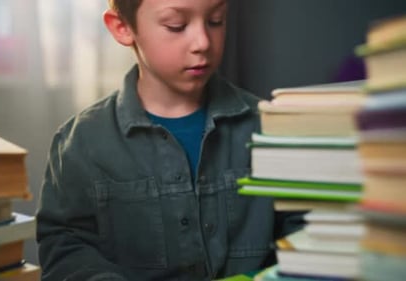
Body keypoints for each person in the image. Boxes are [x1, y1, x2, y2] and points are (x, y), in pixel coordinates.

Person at [36, 0, 303, 280]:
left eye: (215, 20)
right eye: (176, 25)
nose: (202, 42)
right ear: (123, 27)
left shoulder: (270, 127)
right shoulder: (79, 142)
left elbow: (305, 234)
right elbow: (65, 249)